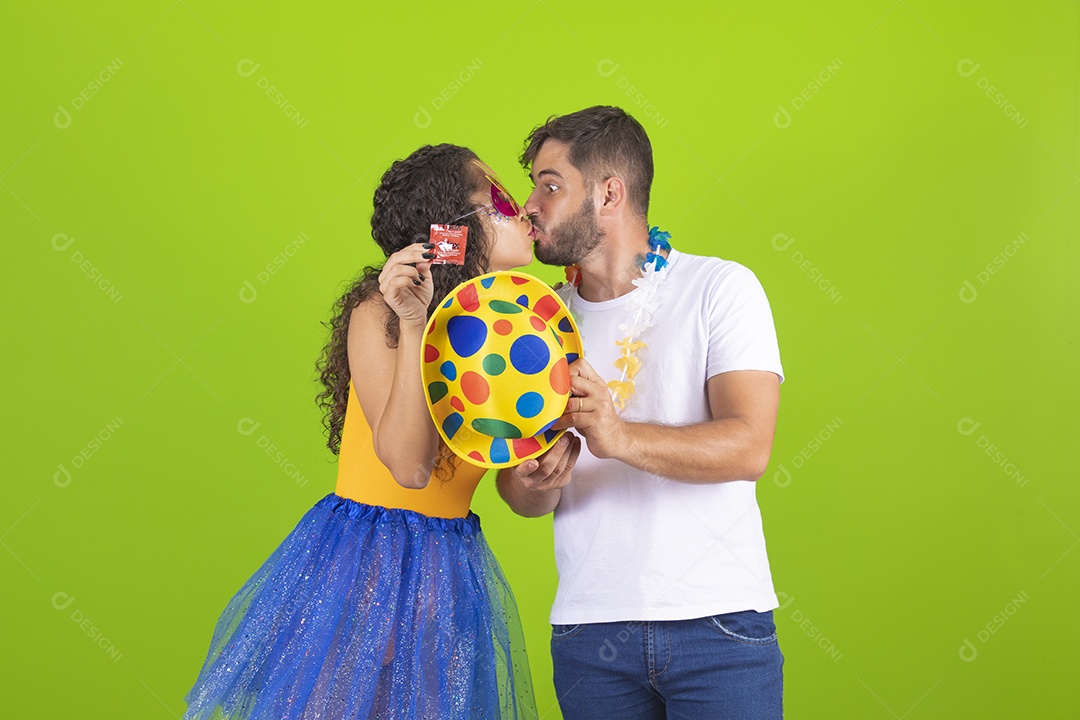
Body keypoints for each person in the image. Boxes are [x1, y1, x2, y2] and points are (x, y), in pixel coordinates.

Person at [183, 144, 539, 720]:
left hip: (450, 562)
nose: (521, 208)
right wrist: (416, 320)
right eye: (497, 198)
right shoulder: (382, 314)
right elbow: (408, 464)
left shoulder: (509, 333)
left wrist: (541, 466)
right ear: (451, 232)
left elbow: (521, 481)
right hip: (369, 560)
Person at [496, 106, 786, 719]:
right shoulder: (535, 320)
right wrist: (531, 480)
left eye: (550, 185)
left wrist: (617, 434)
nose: (528, 205)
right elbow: (520, 496)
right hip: (588, 633)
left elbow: (749, 447)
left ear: (609, 192)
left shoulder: (721, 288)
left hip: (717, 626)